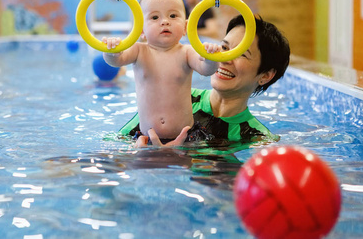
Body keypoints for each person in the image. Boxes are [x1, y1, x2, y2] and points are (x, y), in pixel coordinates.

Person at [119, 14, 290, 147]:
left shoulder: (256, 138)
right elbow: (114, 145)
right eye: (224, 47)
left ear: (266, 75)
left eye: (241, 54)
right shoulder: (176, 99)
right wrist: (144, 154)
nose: (224, 58)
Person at [102, 0, 221, 142]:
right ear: (141, 30)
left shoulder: (187, 52)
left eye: (173, 16)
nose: (165, 21)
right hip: (147, 137)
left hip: (186, 138)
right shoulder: (139, 50)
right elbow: (116, 61)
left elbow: (206, 70)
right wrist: (112, 51)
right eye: (155, 17)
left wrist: (210, 58)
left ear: (185, 27)